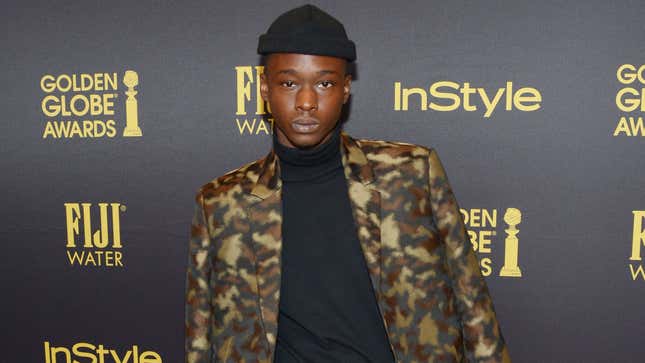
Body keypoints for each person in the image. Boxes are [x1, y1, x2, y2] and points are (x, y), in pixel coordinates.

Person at [186, 4, 510, 363]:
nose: (307, 102)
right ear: (264, 87)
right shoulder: (221, 203)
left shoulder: (410, 174)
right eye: (289, 83)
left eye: (324, 83)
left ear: (345, 89)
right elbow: (202, 338)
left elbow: (473, 305)